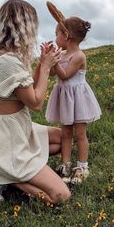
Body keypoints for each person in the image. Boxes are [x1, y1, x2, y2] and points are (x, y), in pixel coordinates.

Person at [0, 0, 72, 205]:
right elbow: (36, 103)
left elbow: (28, 87)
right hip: (6, 139)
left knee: (60, 137)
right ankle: (2, 175)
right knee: (61, 196)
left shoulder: (7, 56)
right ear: (24, 26)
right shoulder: (7, 62)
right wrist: (46, 67)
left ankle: (8, 171)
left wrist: (41, 63)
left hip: (14, 128)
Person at [44, 9, 101, 184]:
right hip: (65, 98)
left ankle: (82, 167)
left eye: (57, 35)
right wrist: (50, 60)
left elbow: (65, 75)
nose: (55, 39)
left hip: (78, 99)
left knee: (80, 134)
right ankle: (65, 164)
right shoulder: (62, 54)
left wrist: (54, 62)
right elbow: (54, 74)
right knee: (65, 133)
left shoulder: (79, 56)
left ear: (66, 36)